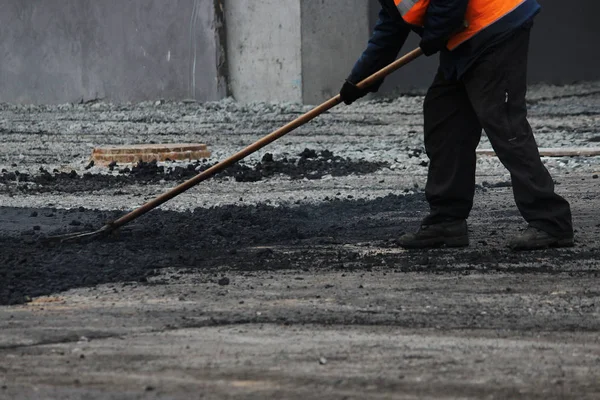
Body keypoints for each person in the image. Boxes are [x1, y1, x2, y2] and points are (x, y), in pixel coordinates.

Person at [339, 0, 573, 251]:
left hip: (495, 24)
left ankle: (551, 222)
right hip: (462, 36)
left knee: (504, 122)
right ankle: (447, 221)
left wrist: (437, 30)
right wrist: (359, 80)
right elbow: (391, 27)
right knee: (445, 117)